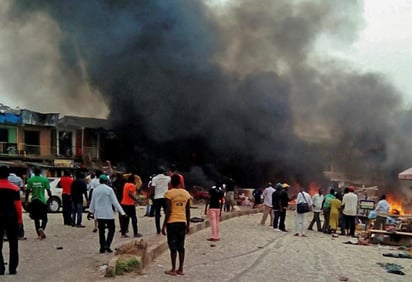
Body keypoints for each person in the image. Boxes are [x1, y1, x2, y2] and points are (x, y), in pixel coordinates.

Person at [88, 174, 126, 253]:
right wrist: (122, 213)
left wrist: (90, 212)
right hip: (108, 213)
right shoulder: (109, 190)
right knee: (111, 229)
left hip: (99, 214)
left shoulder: (95, 190)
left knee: (101, 231)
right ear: (106, 181)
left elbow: (93, 202)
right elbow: (115, 202)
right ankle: (107, 244)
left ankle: (102, 247)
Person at [162, 174, 191, 276]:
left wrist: (164, 225)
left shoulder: (168, 194)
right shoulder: (186, 194)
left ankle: (173, 269)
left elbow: (168, 210)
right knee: (181, 246)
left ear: (171, 183)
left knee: (172, 246)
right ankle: (181, 269)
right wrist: (188, 224)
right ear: (180, 182)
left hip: (172, 223)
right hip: (182, 222)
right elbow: (187, 211)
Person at [0, 166, 23, 275]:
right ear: (8, 175)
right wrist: (19, 220)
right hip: (11, 217)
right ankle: (12, 268)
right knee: (13, 243)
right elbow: (18, 206)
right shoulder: (14, 188)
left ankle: (0, 268)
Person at [25, 167, 51, 239]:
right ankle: (42, 228)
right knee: (44, 218)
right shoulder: (44, 180)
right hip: (42, 201)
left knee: (36, 219)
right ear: (40, 172)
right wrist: (50, 197)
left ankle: (39, 234)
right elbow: (48, 190)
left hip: (34, 201)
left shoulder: (30, 180)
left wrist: (26, 201)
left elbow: (27, 191)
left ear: (34, 172)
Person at [151, 167, 171, 234]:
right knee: (167, 212)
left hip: (157, 198)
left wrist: (151, 196)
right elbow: (170, 183)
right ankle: (168, 227)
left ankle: (158, 229)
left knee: (157, 214)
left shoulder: (154, 179)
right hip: (165, 197)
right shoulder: (167, 178)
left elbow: (153, 188)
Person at [8, 172, 25, 240]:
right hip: (15, 199)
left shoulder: (6, 180)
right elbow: (22, 187)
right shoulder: (18, 179)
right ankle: (19, 235)